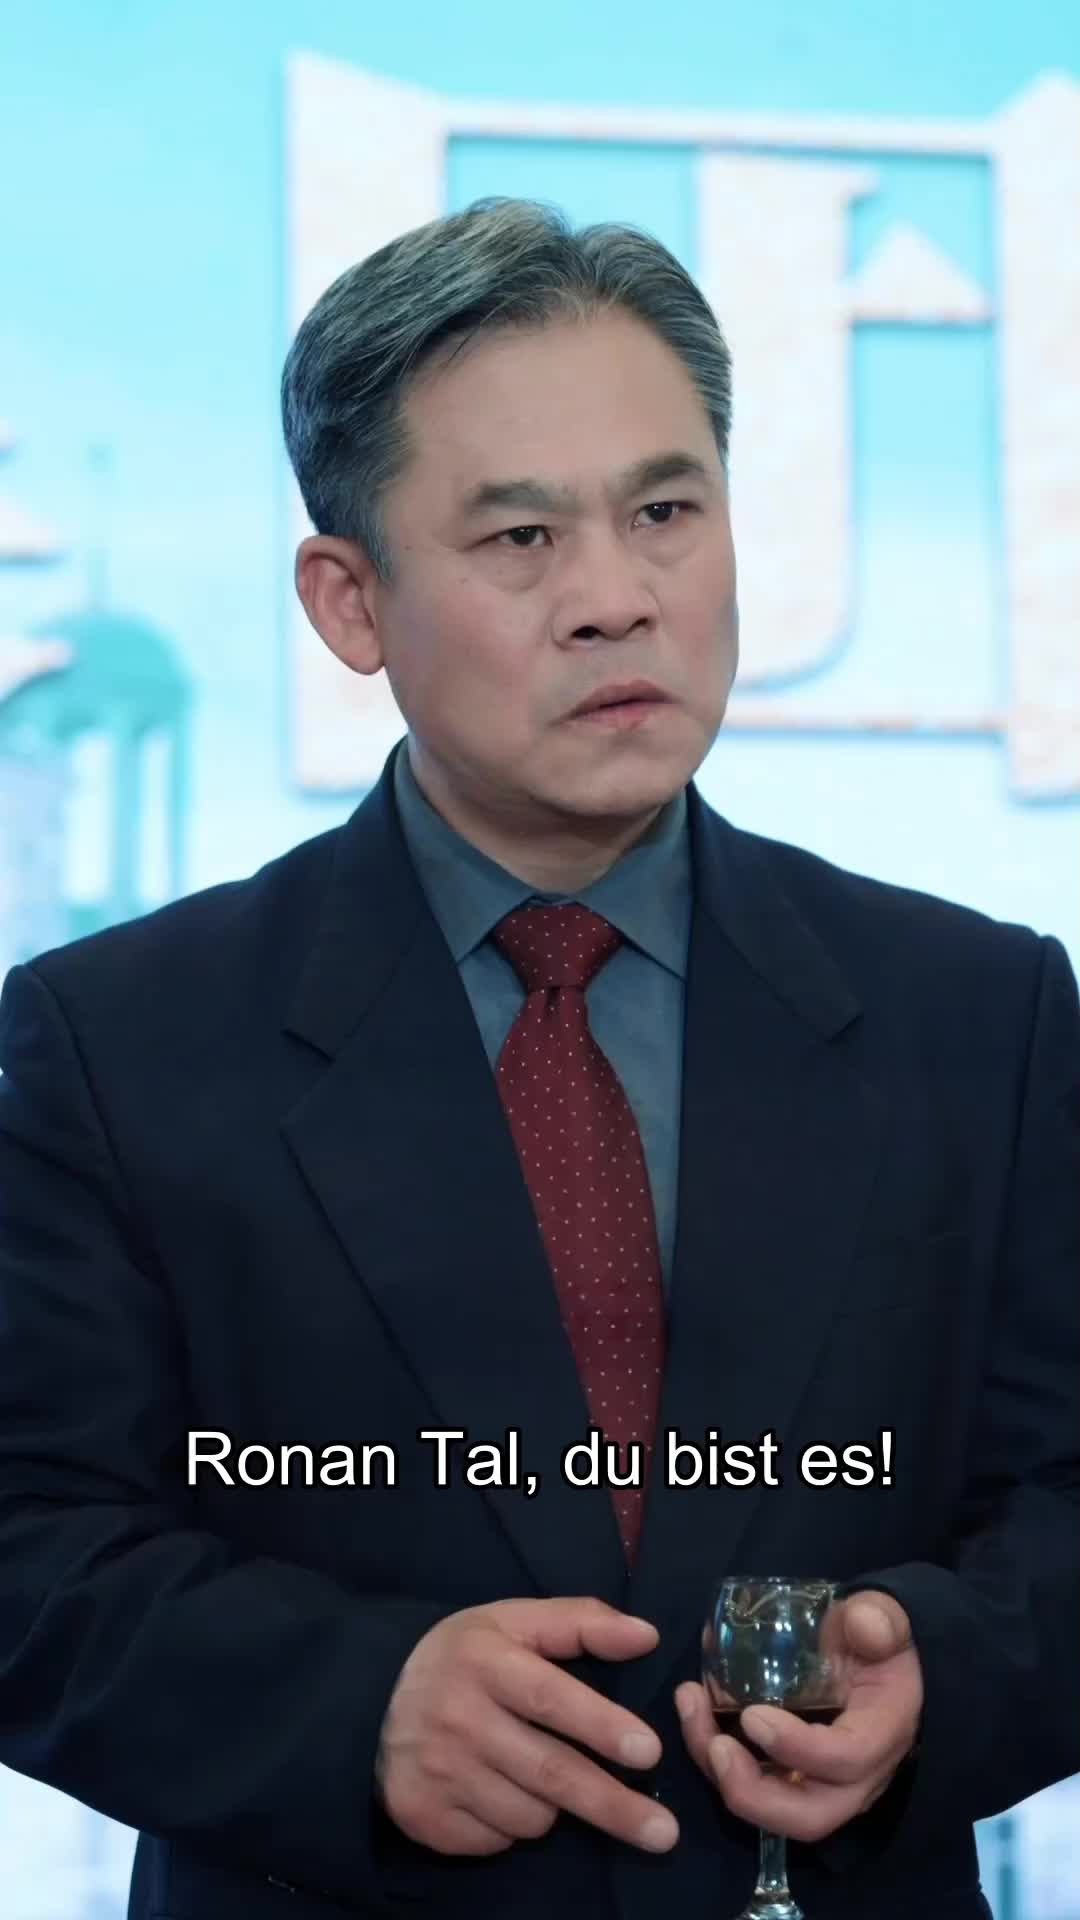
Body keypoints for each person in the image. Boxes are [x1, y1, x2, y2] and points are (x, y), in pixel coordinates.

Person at [0, 197, 1077, 1920]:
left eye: (666, 513)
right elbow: (30, 1543)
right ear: (350, 601)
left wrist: (937, 1670)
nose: (615, 601)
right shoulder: (119, 1045)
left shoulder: (978, 1014)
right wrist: (356, 1709)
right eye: (519, 538)